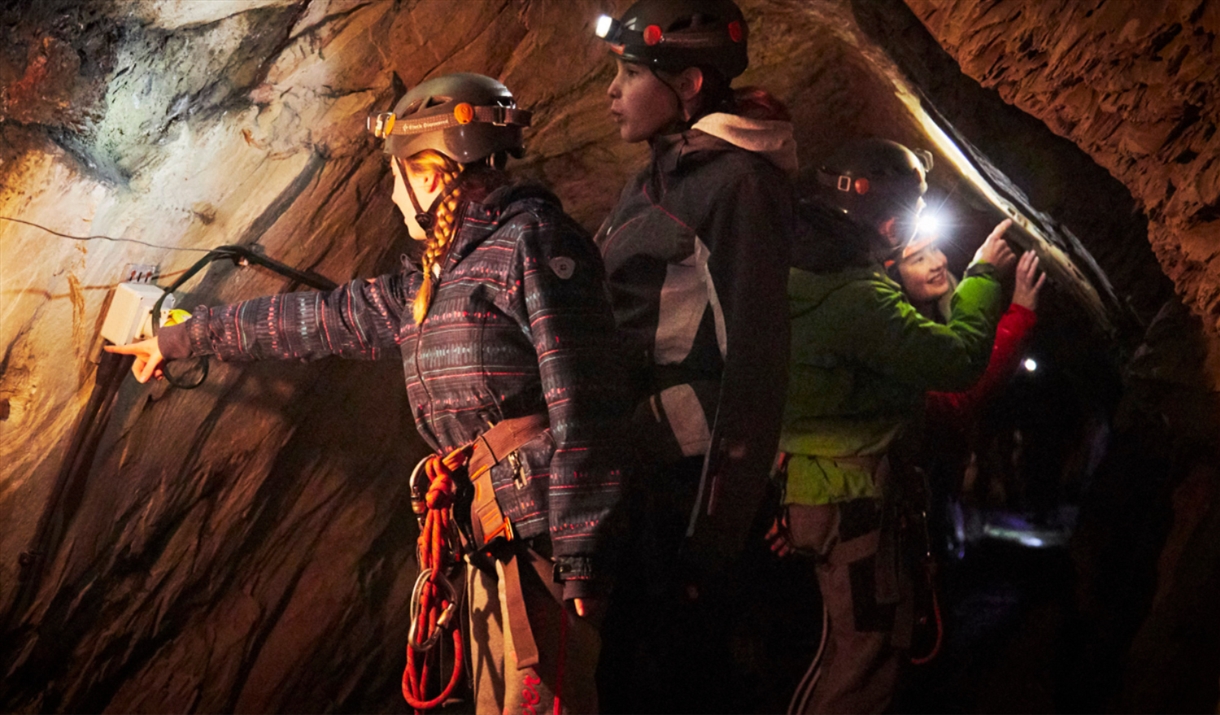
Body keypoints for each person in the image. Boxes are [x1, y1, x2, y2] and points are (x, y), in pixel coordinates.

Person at [107, 73, 627, 715]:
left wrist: (580, 550)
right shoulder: (438, 276)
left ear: (432, 175)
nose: (391, 191)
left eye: (396, 173)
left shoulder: (533, 243)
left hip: (541, 541)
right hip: (488, 534)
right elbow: (317, 320)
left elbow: (587, 398)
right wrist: (184, 335)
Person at [590, 0, 796, 711]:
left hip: (692, 479)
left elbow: (758, 360)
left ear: (688, 86)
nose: (611, 92)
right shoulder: (652, 180)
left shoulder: (739, 184)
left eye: (628, 73)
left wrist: (715, 533)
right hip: (643, 475)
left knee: (691, 678)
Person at [769, 138, 1016, 714]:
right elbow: (956, 362)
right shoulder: (855, 296)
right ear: (886, 220)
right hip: (851, 499)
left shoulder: (800, 271)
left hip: (827, 492)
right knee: (861, 659)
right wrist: (982, 277)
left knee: (851, 651)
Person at [892, 239, 1046, 557]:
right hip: (907, 494)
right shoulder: (890, 336)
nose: (937, 262)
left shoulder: (946, 317)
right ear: (890, 273)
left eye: (935, 248)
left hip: (936, 483)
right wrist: (1018, 317)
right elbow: (957, 394)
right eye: (918, 258)